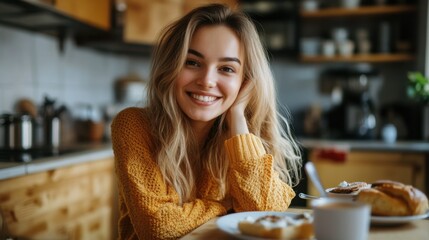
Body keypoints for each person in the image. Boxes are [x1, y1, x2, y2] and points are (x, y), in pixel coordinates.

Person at [111, 3, 302, 239]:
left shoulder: (244, 134)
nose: (207, 81)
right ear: (171, 66)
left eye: (226, 68)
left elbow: (267, 215)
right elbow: (157, 226)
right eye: (192, 62)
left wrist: (238, 119)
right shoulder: (133, 125)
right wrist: (225, 207)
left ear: (246, 81)